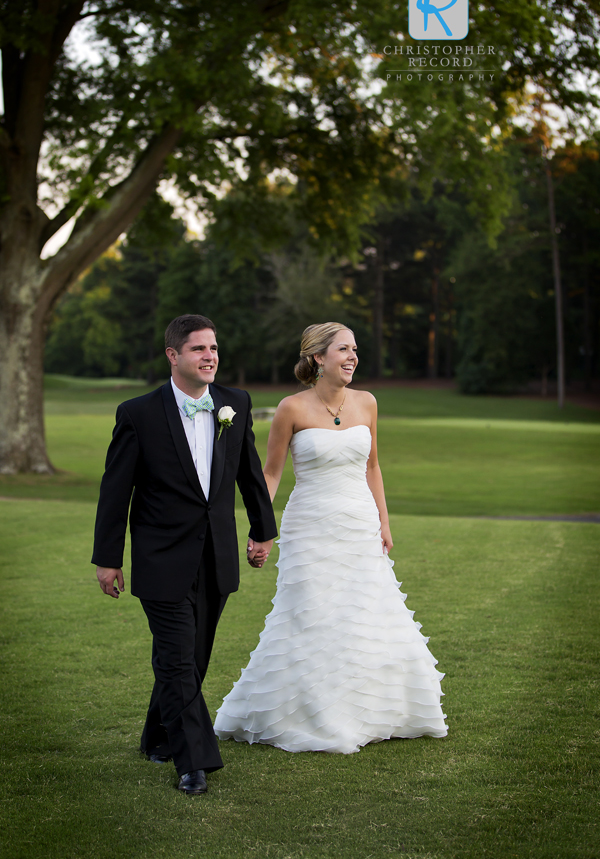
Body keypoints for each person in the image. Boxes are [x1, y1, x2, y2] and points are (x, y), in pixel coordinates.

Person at [214, 322, 447, 752]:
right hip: (309, 528)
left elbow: (373, 466)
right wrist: (260, 527)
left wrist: (385, 521)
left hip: (360, 525)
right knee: (309, 615)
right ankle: (303, 714)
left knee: (365, 616)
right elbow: (271, 472)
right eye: (344, 349)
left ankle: (375, 712)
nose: (353, 356)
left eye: (355, 349)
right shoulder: (291, 408)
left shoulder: (368, 403)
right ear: (318, 357)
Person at [92, 314, 277, 794]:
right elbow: (116, 492)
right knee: (177, 659)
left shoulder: (235, 404)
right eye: (198, 349)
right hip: (160, 557)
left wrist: (263, 531)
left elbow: (249, 473)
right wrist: (107, 558)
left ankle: (157, 736)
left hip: (216, 555)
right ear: (173, 355)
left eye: (213, 348)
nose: (210, 356)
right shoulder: (138, 413)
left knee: (190, 660)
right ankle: (192, 761)